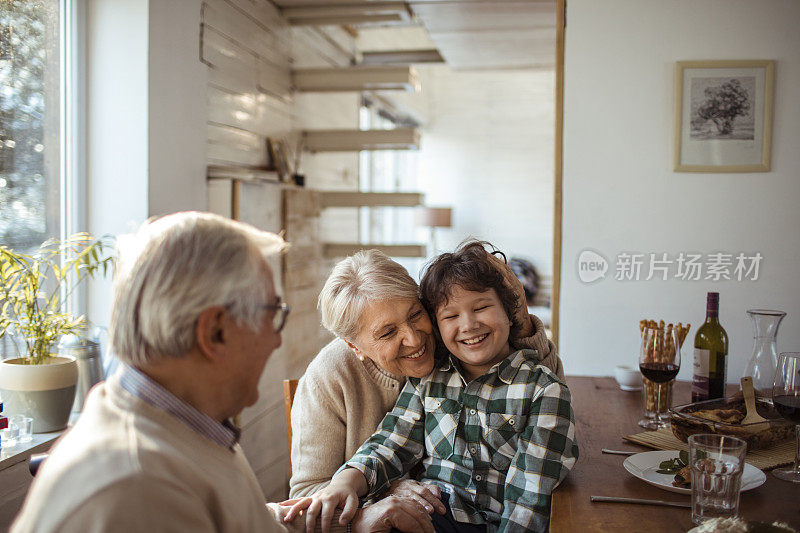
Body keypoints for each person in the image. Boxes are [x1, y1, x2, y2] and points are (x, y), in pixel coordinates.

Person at [11, 212, 434, 533]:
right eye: (271, 315)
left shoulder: (184, 427)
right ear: (214, 332)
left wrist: (342, 519)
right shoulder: (136, 486)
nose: (275, 341)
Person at [287, 241, 578, 533]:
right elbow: (384, 445)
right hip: (421, 516)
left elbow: (544, 409)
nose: (415, 340)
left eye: (415, 315)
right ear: (355, 346)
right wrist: (374, 495)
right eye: (388, 333)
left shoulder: (458, 344)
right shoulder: (330, 376)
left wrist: (523, 323)